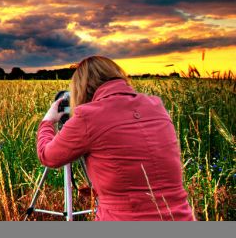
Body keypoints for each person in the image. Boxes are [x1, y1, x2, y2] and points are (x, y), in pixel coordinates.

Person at [37, 56, 195, 221]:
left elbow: (48, 156)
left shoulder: (88, 116)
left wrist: (48, 121)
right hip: (181, 217)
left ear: (82, 88)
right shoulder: (156, 105)